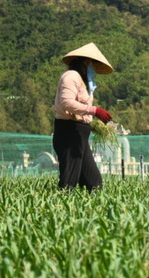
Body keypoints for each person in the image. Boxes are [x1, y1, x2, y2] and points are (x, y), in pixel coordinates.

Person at [53, 42, 114, 192]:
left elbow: (80, 111)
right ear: (85, 63)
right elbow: (66, 103)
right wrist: (94, 110)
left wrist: (93, 124)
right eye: (92, 65)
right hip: (69, 133)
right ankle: (61, 208)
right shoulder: (71, 76)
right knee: (69, 181)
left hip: (79, 134)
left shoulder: (83, 82)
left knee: (93, 182)